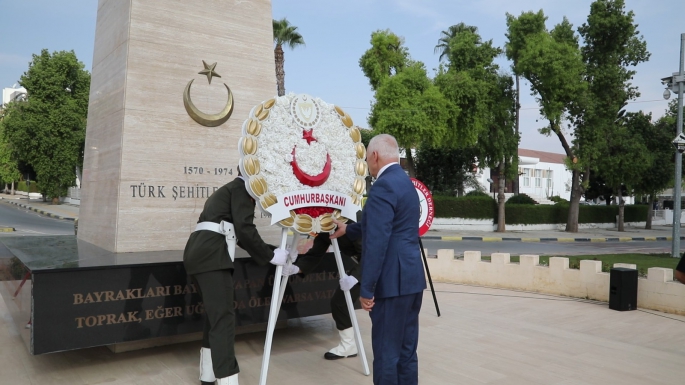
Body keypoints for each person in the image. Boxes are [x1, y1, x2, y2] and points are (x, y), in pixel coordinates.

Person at [331, 134, 426, 385]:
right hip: (412, 279)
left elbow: (377, 241)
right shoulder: (406, 183)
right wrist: (348, 230)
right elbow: (385, 225)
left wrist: (367, 288)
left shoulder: (383, 185)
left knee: (386, 354)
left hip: (391, 283)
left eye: (367, 159)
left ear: (374, 156)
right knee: (406, 351)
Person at [183, 170, 293, 385]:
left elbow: (237, 233)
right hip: (212, 257)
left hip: (200, 254)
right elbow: (244, 228)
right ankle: (227, 379)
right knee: (223, 319)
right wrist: (271, 256)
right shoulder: (242, 189)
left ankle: (209, 374)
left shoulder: (229, 189)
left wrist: (276, 251)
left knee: (216, 317)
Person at [292, 226, 362, 360]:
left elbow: (373, 251)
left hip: (379, 262)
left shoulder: (353, 219)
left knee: (381, 306)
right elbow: (316, 253)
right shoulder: (325, 225)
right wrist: (297, 268)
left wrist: (356, 276)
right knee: (340, 302)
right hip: (361, 262)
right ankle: (348, 345)